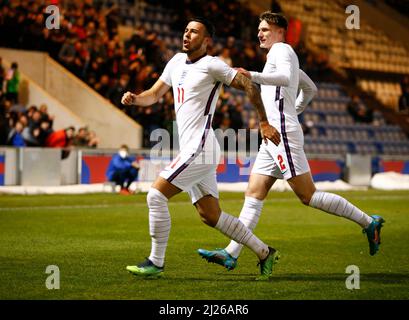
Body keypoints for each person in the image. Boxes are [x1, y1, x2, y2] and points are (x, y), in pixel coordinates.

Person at [198, 12, 385, 272]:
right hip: (274, 134)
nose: (259, 33)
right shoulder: (280, 56)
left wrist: (253, 76)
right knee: (253, 193)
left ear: (279, 31)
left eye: (264, 29)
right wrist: (293, 111)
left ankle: (368, 222)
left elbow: (286, 79)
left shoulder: (282, 50)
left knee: (308, 196)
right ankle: (232, 253)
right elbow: (310, 89)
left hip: (281, 133)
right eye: (259, 29)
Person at [121, 17, 282, 280]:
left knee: (155, 196)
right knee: (211, 216)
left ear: (206, 41)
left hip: (200, 147)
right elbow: (154, 94)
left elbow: (249, 85)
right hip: (196, 149)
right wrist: (136, 99)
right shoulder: (175, 62)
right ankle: (265, 252)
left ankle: (155, 262)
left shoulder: (212, 65)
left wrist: (263, 121)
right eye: (185, 30)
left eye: (194, 32)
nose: (187, 35)